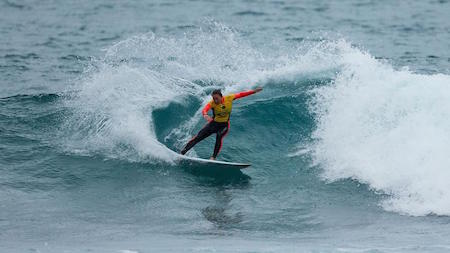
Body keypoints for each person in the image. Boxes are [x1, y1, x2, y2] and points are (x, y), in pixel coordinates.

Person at [180, 87, 263, 160]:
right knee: (198, 137)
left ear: (221, 96)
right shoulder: (212, 103)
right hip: (213, 124)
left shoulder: (229, 98)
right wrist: (205, 114)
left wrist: (253, 91)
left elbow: (241, 94)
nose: (215, 100)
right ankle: (182, 153)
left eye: (216, 98)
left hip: (224, 125)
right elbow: (205, 109)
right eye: (213, 98)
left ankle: (213, 157)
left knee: (219, 136)